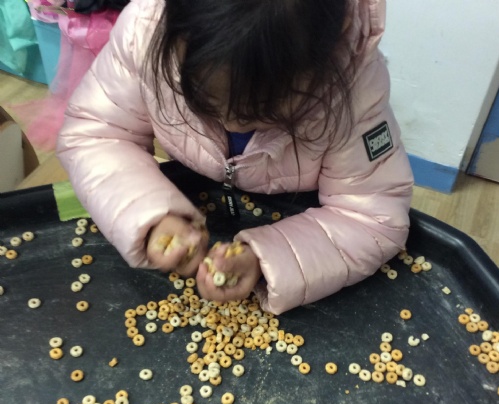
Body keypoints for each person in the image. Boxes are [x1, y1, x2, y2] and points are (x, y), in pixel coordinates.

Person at [56, 0, 414, 315]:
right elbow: (96, 135)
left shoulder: (354, 88)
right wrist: (149, 216)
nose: (231, 123)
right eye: (204, 98)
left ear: (326, 58)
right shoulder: (144, 30)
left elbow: (373, 216)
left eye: (264, 109)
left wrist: (267, 259)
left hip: (299, 210)